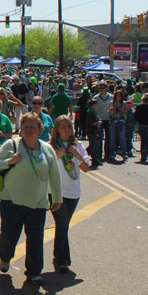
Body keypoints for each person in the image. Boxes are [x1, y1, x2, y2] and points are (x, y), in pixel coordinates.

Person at [0, 113, 62, 286]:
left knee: (36, 238)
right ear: (21, 129)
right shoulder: (12, 144)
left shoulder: (47, 149)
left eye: (32, 127)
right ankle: (5, 257)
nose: (29, 130)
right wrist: (10, 161)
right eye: (25, 127)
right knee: (9, 236)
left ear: (39, 130)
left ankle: (34, 272)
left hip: (37, 201)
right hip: (12, 200)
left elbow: (54, 174)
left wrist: (57, 197)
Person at [48, 115, 90, 273]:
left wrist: (76, 154)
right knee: (62, 224)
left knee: (62, 226)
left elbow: (86, 168)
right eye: (63, 127)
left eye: (69, 126)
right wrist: (61, 153)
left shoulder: (77, 146)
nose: (67, 129)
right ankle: (63, 260)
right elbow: (46, 164)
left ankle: (57, 255)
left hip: (73, 192)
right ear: (57, 130)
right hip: (56, 191)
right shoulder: (51, 146)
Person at [92, 83, 112, 161]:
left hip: (108, 119)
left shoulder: (111, 97)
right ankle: (99, 154)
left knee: (108, 138)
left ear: (106, 88)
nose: (100, 89)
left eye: (102, 88)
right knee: (99, 138)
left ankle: (107, 154)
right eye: (99, 88)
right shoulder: (96, 98)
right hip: (99, 119)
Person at [134, 94, 148, 163]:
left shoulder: (138, 107)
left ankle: (142, 154)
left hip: (141, 125)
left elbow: (136, 116)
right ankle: (145, 151)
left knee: (142, 140)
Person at [108, 90, 128, 161]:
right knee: (112, 138)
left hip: (121, 121)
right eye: (117, 96)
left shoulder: (124, 104)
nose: (118, 98)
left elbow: (126, 113)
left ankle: (124, 153)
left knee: (122, 138)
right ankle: (112, 153)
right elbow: (109, 114)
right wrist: (111, 111)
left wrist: (123, 110)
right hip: (113, 121)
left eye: (120, 96)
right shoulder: (112, 103)